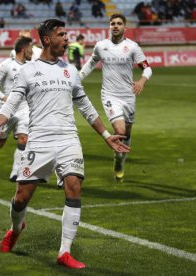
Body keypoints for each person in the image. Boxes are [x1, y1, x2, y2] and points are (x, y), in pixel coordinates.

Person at [0, 18, 129, 269]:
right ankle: (16, 228)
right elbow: (12, 102)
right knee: (20, 199)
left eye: (67, 34)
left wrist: (106, 136)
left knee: (74, 186)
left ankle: (64, 251)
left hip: (68, 139)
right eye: (62, 34)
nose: (67, 38)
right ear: (47, 39)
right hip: (39, 140)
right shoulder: (28, 70)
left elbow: (86, 106)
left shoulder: (70, 70)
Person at [79, 13, 152, 182]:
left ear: (125, 27)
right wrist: (77, 77)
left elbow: (147, 68)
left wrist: (142, 81)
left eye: (119, 23)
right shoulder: (101, 46)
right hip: (110, 95)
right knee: (119, 131)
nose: (116, 26)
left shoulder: (133, 47)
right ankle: (118, 159)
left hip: (128, 96)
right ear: (109, 26)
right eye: (113, 23)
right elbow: (91, 63)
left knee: (126, 134)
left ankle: (120, 161)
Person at [0, 37, 34, 182]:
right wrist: (4, 97)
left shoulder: (31, 66)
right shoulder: (7, 65)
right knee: (0, 143)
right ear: (23, 50)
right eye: (30, 48)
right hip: (7, 109)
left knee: (24, 139)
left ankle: (15, 172)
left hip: (24, 109)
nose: (32, 51)